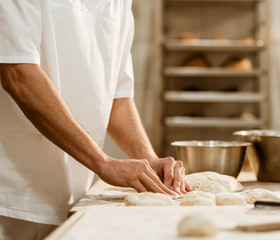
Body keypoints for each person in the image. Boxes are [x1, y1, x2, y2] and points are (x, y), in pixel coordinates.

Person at [0, 1, 190, 239]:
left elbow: (116, 96)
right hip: (12, 197)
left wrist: (148, 159)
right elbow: (18, 73)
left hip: (75, 195)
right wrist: (103, 163)